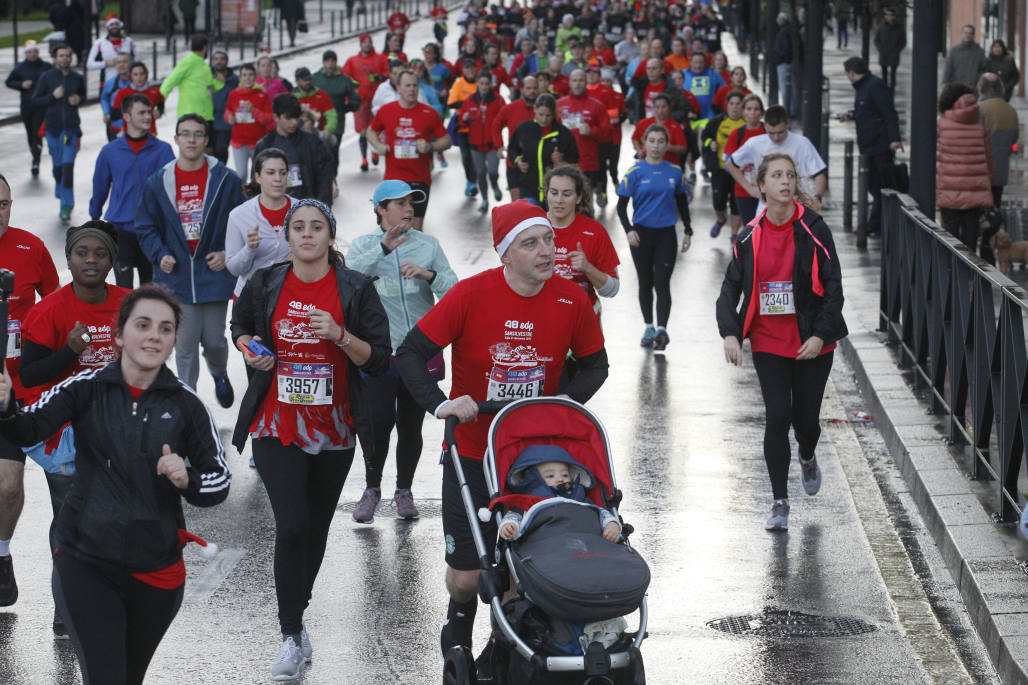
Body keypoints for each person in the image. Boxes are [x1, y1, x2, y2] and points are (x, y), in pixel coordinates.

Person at [394, 199, 609, 657]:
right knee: (469, 576)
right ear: (506, 254)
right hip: (471, 450)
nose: (546, 250)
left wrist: (564, 404)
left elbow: (596, 366)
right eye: (531, 243)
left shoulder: (572, 300)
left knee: (520, 568)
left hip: (532, 458)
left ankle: (506, 645)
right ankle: (457, 622)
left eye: (549, 238)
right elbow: (410, 354)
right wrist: (443, 404)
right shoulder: (471, 295)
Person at [0, 284, 230, 683]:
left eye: (165, 328)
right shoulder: (86, 388)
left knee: (126, 677)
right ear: (121, 334)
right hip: (84, 558)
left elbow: (218, 484)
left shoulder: (186, 405)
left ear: (174, 340)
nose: (154, 335)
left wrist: (186, 478)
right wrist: (5, 405)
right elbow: (28, 428)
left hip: (155, 570)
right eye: (143, 325)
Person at [231, 199, 390, 681]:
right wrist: (250, 351)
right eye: (297, 227)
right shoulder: (266, 282)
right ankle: (289, 633)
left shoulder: (354, 288)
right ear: (287, 235)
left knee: (315, 530)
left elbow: (378, 359)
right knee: (293, 523)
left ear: (329, 236)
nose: (306, 235)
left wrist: (341, 335)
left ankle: (297, 620)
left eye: (316, 227)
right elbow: (241, 327)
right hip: (277, 423)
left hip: (334, 426)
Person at [716, 152, 847, 532]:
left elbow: (835, 288)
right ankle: (779, 502)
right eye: (777, 176)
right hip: (770, 340)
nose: (786, 182)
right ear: (762, 186)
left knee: (806, 422)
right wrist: (731, 332)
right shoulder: (749, 235)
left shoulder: (814, 228)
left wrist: (820, 334)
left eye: (791, 175)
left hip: (812, 342)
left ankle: (807, 454)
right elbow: (730, 288)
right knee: (777, 417)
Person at [19, 220, 131, 635]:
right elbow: (30, 377)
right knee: (70, 514)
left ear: (111, 261)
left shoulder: (129, 303)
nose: (90, 261)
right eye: (82, 253)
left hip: (118, 427)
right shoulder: (50, 310)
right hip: (63, 431)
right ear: (68, 259)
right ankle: (66, 606)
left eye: (99, 254)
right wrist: (69, 351)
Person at [347, 180, 457, 523]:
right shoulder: (364, 246)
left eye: (411, 202)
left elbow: (454, 291)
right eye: (399, 203)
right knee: (377, 422)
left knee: (410, 426)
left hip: (419, 351)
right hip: (377, 351)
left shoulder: (428, 245)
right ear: (380, 209)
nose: (409, 208)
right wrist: (383, 247)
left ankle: (404, 491)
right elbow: (348, 280)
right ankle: (372, 489)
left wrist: (428, 274)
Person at [135, 114, 244, 404]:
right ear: (176, 139)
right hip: (177, 276)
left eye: (198, 134)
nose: (192, 140)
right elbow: (145, 225)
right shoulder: (159, 182)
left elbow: (241, 222)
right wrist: (160, 255)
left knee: (215, 342)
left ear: (206, 141)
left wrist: (226, 253)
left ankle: (219, 373)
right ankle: (188, 402)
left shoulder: (226, 179)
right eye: (186, 134)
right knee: (184, 345)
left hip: (213, 274)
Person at [0, 173, 60, 609]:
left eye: (3, 203)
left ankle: (2, 556)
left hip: (13, 390)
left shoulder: (29, 248)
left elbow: (55, 303)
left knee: (6, 486)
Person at [617, 124, 692, 351]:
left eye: (661, 141)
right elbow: (621, 206)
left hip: (666, 235)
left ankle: (662, 330)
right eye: (652, 141)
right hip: (641, 234)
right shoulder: (634, 172)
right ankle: (648, 326)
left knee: (662, 283)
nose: (656, 146)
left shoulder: (675, 172)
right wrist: (629, 230)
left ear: (666, 144)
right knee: (645, 282)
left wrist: (688, 230)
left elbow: (682, 202)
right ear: (644, 144)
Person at [91, 94, 176, 289]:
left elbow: (173, 191)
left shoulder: (163, 150)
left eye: (149, 112)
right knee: (123, 291)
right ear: (127, 117)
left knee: (150, 291)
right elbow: (100, 187)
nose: (148, 116)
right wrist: (94, 218)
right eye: (142, 113)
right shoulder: (110, 151)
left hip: (153, 231)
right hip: (120, 231)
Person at [368, 70, 452, 229]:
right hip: (393, 179)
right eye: (407, 85)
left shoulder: (429, 113)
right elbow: (371, 131)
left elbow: (447, 140)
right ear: (398, 88)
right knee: (390, 227)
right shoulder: (386, 110)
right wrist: (378, 145)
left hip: (419, 179)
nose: (412, 89)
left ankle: (412, 255)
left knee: (415, 229)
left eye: (415, 85)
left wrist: (430, 147)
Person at [498, 448, 620, 541]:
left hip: (585, 541)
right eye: (551, 476)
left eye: (565, 475)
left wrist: (612, 524)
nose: (560, 479)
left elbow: (601, 513)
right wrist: (509, 526)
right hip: (544, 546)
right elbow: (513, 517)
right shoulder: (527, 502)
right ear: (532, 479)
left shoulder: (580, 498)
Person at [725, 105, 827, 216]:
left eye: (780, 132)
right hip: (767, 209)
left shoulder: (802, 143)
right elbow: (731, 164)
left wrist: (817, 197)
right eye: (771, 133)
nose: (776, 137)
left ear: (787, 124)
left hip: (798, 207)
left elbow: (819, 173)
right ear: (765, 127)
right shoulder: (754, 143)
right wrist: (748, 188)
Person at [545, 165, 620, 313]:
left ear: (579, 197)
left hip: (583, 321)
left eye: (567, 194)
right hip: (542, 319)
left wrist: (587, 268)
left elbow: (612, 290)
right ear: (546, 194)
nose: (559, 200)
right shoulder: (531, 228)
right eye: (554, 193)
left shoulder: (594, 232)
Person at [842, 57, 902, 237]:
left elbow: (889, 113)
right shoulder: (864, 87)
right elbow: (868, 110)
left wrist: (894, 139)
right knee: (873, 186)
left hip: (879, 145)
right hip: (868, 144)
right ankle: (875, 224)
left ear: (851, 73)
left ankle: (876, 225)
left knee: (879, 186)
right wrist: (852, 115)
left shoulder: (874, 86)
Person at [225, 148, 294, 298]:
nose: (278, 178)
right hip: (250, 298)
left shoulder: (301, 210)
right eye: (270, 173)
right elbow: (234, 269)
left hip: (290, 297)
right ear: (258, 177)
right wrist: (249, 249)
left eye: (283, 173)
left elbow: (324, 252)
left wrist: (301, 256)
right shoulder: (239, 215)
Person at [936, 82, 994, 252]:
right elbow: (988, 159)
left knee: (949, 242)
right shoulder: (978, 124)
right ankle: (968, 278)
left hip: (949, 192)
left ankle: (950, 276)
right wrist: (987, 184)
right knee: (970, 243)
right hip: (975, 193)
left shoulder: (943, 123)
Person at [31, 43, 85, 222]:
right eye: (61, 56)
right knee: (58, 168)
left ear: (71, 58)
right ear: (55, 59)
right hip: (52, 130)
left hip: (71, 130)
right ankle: (59, 185)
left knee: (68, 166)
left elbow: (83, 96)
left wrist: (78, 99)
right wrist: (52, 97)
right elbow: (35, 101)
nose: (65, 59)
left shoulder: (77, 78)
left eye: (67, 56)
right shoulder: (47, 77)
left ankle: (66, 205)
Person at [254, 94, 335, 206]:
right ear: (276, 117)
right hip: (275, 209)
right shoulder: (264, 145)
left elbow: (325, 176)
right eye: (288, 118)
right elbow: (256, 184)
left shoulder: (312, 142)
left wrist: (322, 207)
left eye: (296, 118)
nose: (294, 123)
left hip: (307, 207)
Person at [508, 93, 579, 203]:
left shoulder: (563, 133)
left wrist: (562, 161)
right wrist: (518, 161)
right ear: (535, 109)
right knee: (533, 218)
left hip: (554, 191)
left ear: (554, 113)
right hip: (528, 188)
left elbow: (575, 159)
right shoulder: (524, 129)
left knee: (551, 220)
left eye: (548, 115)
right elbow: (512, 149)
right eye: (541, 114)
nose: (544, 119)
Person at [556, 70, 611, 210]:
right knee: (565, 201)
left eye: (581, 80)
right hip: (564, 161)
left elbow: (607, 131)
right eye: (574, 80)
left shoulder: (596, 105)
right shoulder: (559, 104)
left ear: (586, 82)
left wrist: (592, 131)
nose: (577, 84)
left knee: (585, 203)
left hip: (588, 161)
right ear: (569, 83)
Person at [460, 72, 506, 213]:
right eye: (481, 83)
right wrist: (465, 118)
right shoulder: (470, 100)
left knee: (492, 171)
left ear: (491, 84)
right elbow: (461, 121)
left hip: (493, 144)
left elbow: (504, 119)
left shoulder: (498, 100)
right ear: (477, 84)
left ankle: (495, 184)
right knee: (480, 173)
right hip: (475, 145)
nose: (484, 87)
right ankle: (485, 200)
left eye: (487, 84)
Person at [702, 90, 746, 239]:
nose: (734, 107)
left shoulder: (747, 123)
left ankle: (734, 234)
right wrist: (711, 143)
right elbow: (705, 136)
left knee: (736, 203)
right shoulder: (717, 121)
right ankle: (721, 219)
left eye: (738, 104)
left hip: (741, 172)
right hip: (720, 169)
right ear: (726, 105)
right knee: (718, 202)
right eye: (731, 104)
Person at [343, 34, 390, 172]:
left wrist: (379, 77)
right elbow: (346, 77)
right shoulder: (352, 61)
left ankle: (375, 153)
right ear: (360, 44)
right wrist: (352, 89)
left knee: (376, 130)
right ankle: (364, 158)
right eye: (364, 42)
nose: (367, 44)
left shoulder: (381, 58)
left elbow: (388, 74)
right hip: (361, 102)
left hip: (376, 101)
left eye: (369, 42)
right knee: (363, 132)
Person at [5, 40, 51, 177]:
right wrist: (21, 84)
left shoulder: (46, 66)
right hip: (26, 105)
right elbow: (9, 82)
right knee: (30, 132)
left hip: (40, 105)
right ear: (26, 53)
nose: (33, 54)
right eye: (30, 52)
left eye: (35, 51)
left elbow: (53, 79)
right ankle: (34, 151)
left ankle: (36, 160)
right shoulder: (20, 67)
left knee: (37, 132)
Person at [313, 50, 362, 175]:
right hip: (318, 122)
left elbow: (355, 98)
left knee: (332, 152)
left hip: (337, 123)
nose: (330, 64)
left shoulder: (344, 80)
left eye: (332, 61)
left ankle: (332, 177)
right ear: (323, 63)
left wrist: (348, 107)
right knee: (317, 151)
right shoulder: (315, 78)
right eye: (327, 61)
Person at [493, 74, 538, 201]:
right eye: (528, 88)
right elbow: (496, 124)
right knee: (518, 204)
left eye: (535, 88)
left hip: (537, 165)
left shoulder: (543, 110)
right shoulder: (510, 108)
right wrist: (499, 146)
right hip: (514, 163)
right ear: (522, 90)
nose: (532, 91)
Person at [226, 62, 274, 182]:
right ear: (240, 77)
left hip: (257, 143)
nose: (247, 78)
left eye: (250, 75)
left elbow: (268, 119)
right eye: (244, 75)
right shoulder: (234, 94)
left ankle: (257, 199)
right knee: (241, 175)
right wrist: (229, 118)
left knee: (258, 176)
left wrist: (254, 110)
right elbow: (228, 112)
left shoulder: (262, 95)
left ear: (255, 76)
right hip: (239, 143)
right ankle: (242, 199)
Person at [723, 94, 766, 226]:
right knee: (750, 226)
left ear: (761, 112)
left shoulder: (768, 131)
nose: (752, 113)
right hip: (744, 189)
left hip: (767, 188)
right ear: (743, 112)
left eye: (756, 109)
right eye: (749, 109)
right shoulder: (737, 134)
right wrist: (740, 167)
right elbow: (727, 163)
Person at [159, 35, 224, 123]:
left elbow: (209, 87)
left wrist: (220, 81)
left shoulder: (204, 66)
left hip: (206, 115)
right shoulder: (187, 63)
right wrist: (158, 105)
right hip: (189, 115)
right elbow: (169, 82)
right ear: (205, 47)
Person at [978, 73, 1019, 210]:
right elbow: (1014, 139)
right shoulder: (1010, 110)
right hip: (1001, 170)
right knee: (995, 207)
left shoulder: (979, 109)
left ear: (981, 88)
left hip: (980, 170)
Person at [111, 62, 166, 136]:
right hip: (129, 134)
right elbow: (114, 115)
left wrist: (159, 111)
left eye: (142, 74)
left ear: (146, 74)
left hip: (150, 133)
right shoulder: (122, 93)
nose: (139, 77)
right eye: (135, 74)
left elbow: (161, 103)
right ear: (130, 76)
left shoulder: (154, 92)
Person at [631, 93, 688, 164]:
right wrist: (639, 150)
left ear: (669, 107)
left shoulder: (675, 126)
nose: (660, 111)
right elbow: (635, 138)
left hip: (669, 167)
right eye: (657, 107)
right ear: (653, 108)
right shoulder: (643, 123)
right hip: (647, 165)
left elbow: (683, 149)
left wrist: (669, 147)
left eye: (663, 107)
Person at [86, 14, 135, 86]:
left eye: (116, 24)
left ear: (120, 26)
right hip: (108, 83)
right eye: (111, 24)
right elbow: (89, 65)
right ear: (107, 27)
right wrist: (106, 63)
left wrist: (129, 62)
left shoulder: (128, 41)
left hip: (128, 82)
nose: (114, 26)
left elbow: (137, 60)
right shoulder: (99, 43)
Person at [99, 52, 133, 141]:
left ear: (130, 63)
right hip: (115, 127)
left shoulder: (137, 82)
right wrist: (106, 112)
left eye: (125, 62)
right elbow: (104, 98)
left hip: (135, 127)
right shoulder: (110, 83)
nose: (121, 65)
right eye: (119, 62)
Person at [942, 25, 987, 89]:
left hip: (974, 87)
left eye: (970, 33)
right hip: (957, 87)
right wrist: (945, 82)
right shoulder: (954, 51)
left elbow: (984, 69)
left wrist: (977, 78)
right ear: (962, 34)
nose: (968, 35)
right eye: (966, 33)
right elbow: (948, 68)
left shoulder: (979, 52)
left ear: (973, 35)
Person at [874, 8, 906, 93]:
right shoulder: (881, 27)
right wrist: (880, 49)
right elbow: (876, 40)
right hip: (884, 54)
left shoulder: (899, 28)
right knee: (884, 75)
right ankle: (884, 91)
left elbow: (903, 41)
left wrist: (897, 50)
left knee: (893, 75)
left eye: (890, 15)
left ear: (894, 16)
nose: (888, 17)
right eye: (887, 15)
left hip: (894, 55)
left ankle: (891, 91)